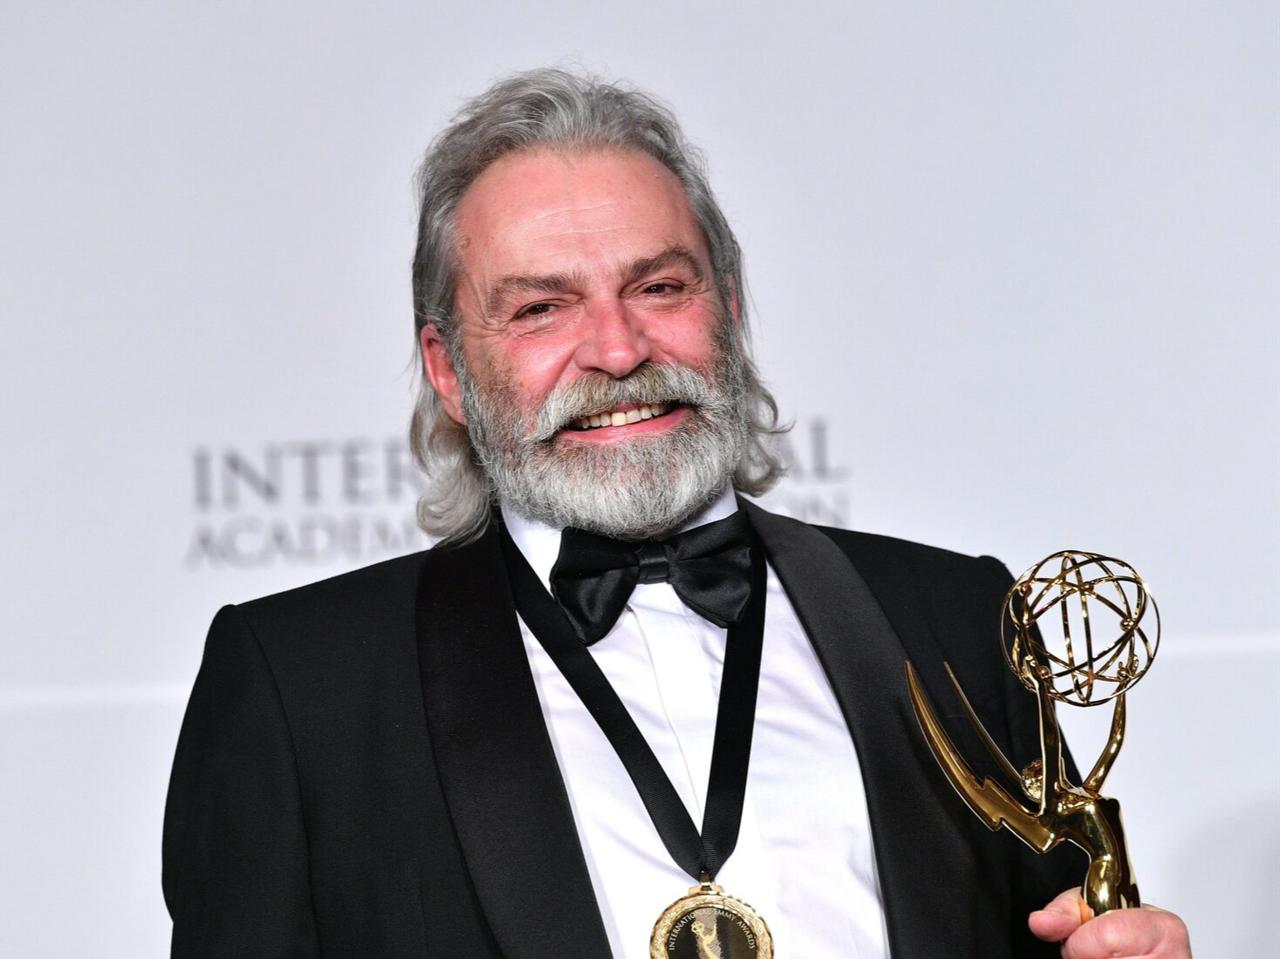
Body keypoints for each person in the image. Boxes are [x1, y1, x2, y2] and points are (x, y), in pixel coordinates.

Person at [162, 69, 1191, 958]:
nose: (615, 350)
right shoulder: (304, 688)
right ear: (449, 369)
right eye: (539, 306)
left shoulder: (954, 618)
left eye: (658, 286)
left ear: (730, 308)